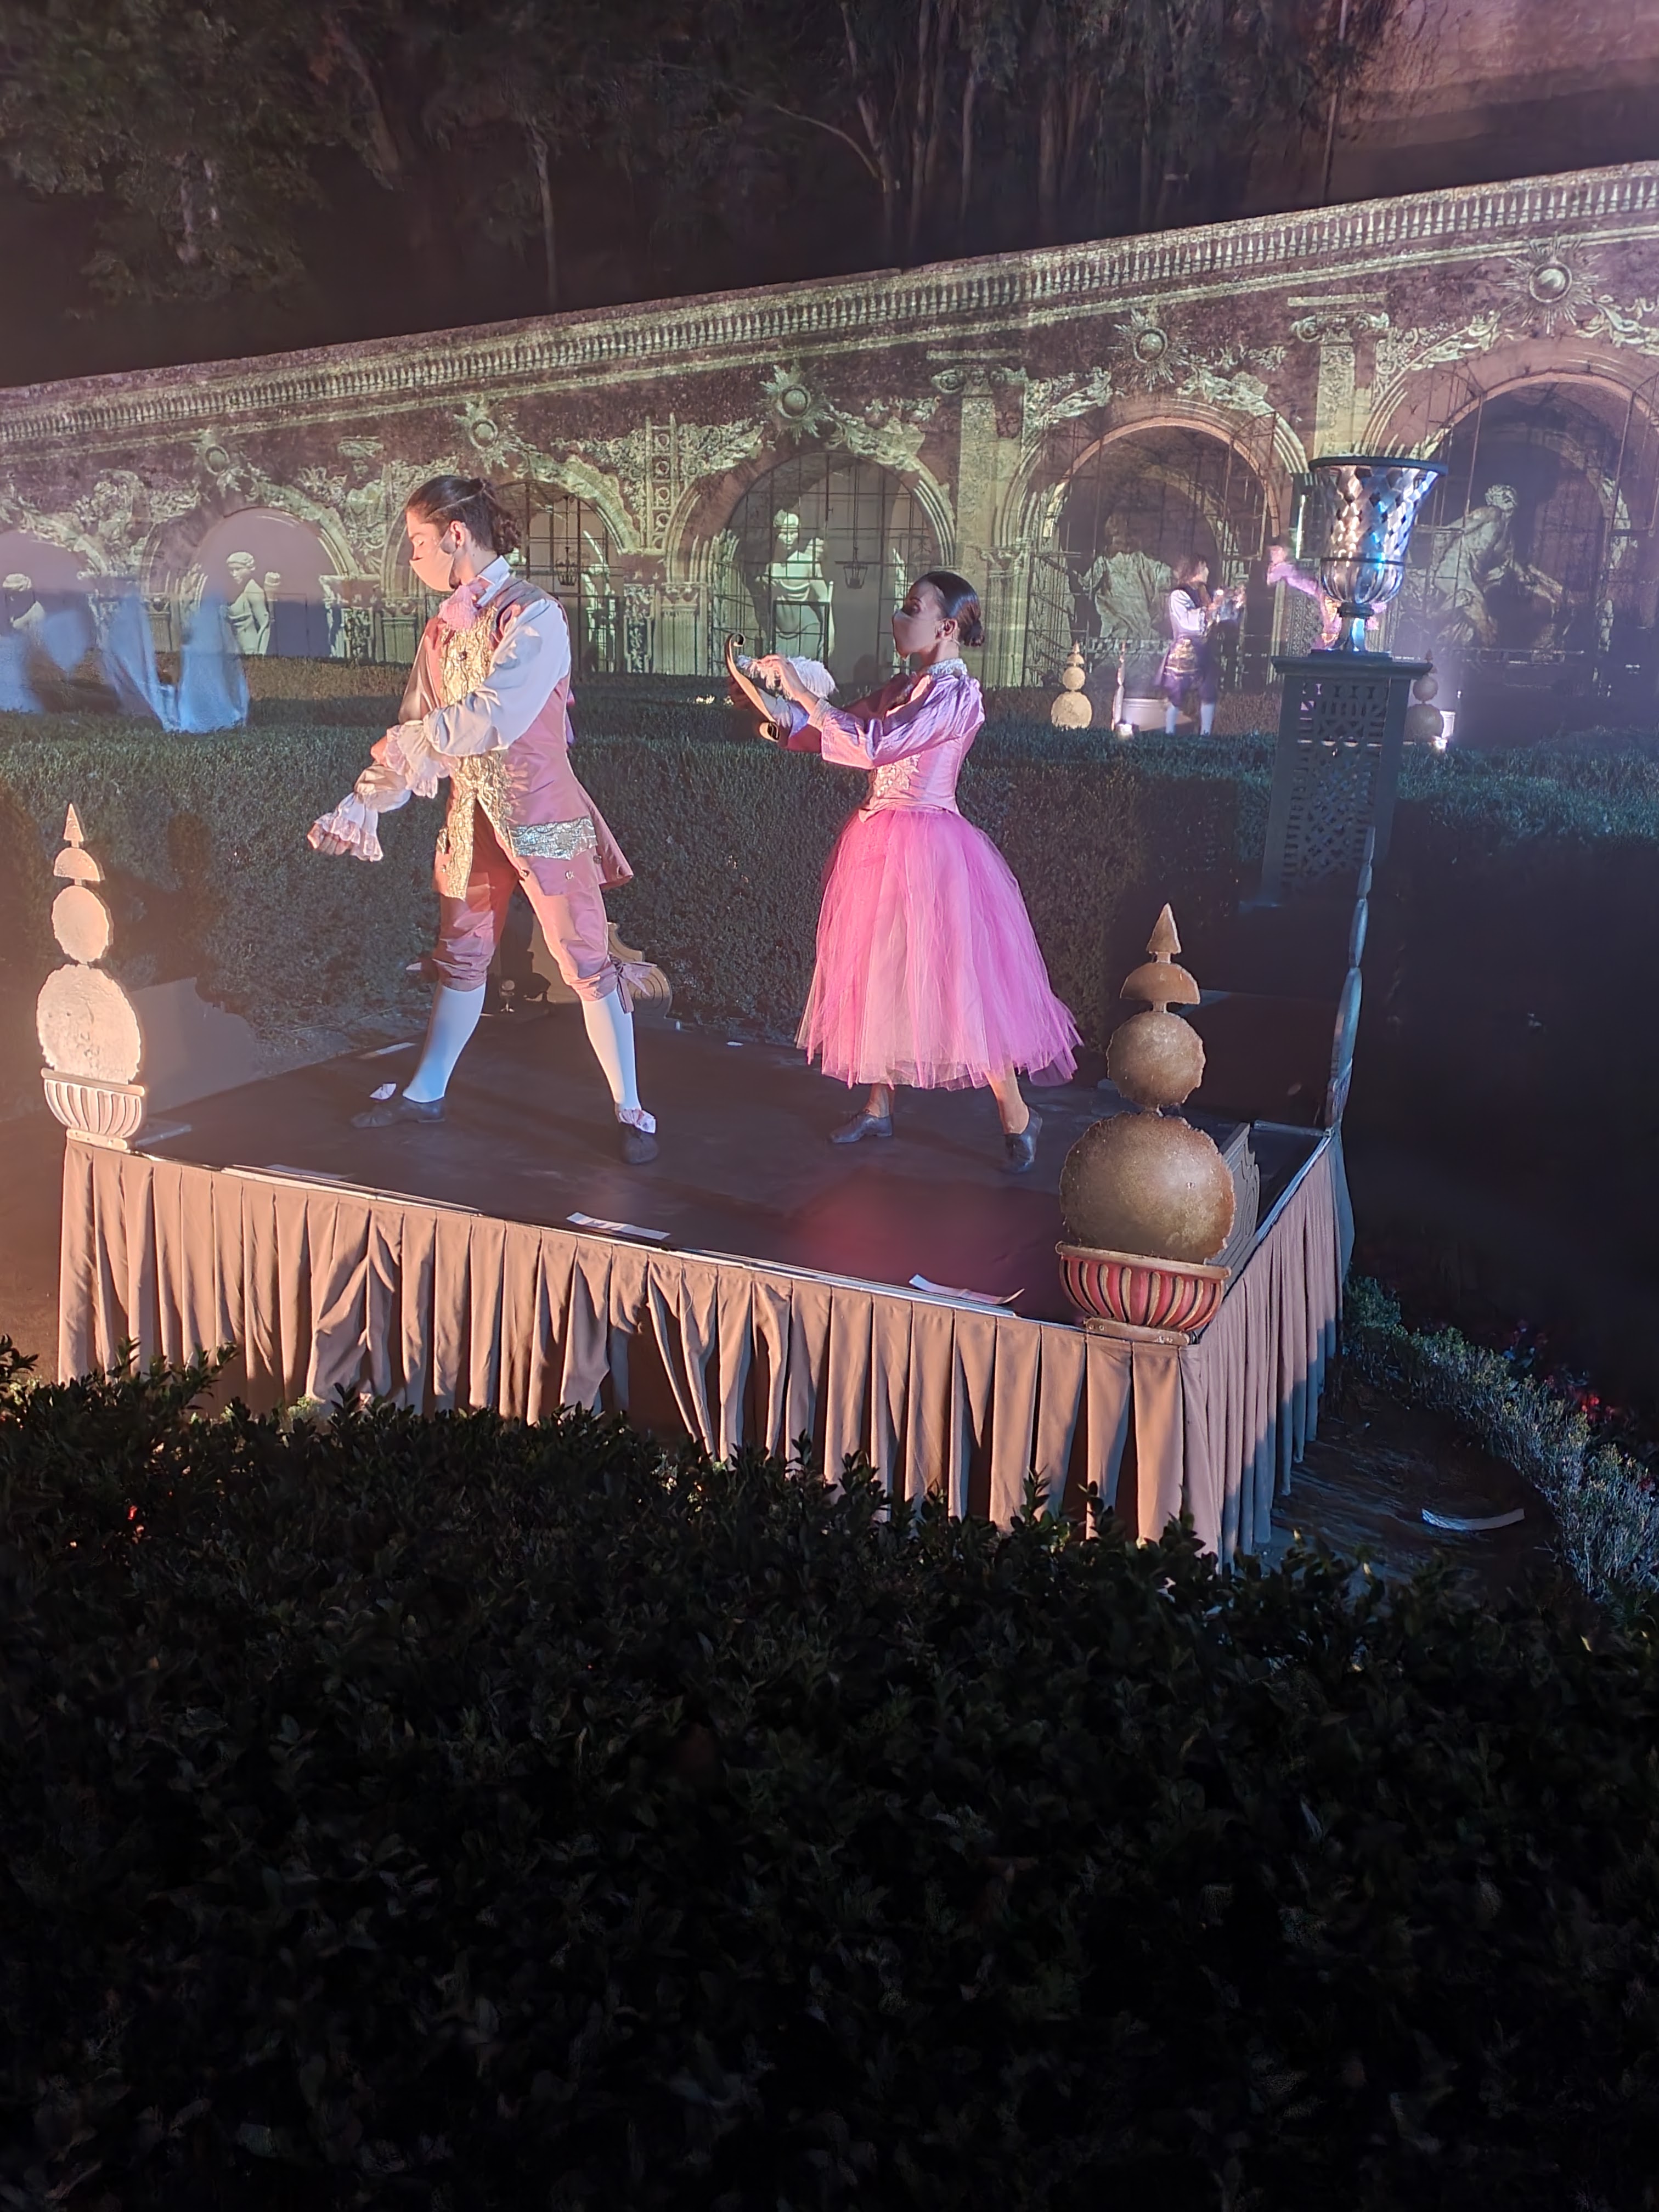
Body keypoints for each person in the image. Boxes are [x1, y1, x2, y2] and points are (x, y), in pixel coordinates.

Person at [308, 474, 659, 1163]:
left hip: (541, 812)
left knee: (585, 960)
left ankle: (630, 1107)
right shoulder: (441, 630)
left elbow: (498, 712)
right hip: (470, 818)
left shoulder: (535, 615)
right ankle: (426, 1092)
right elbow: (416, 726)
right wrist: (367, 798)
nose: (412, 556)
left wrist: (414, 743)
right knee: (462, 957)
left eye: (418, 541)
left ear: (456, 535)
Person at [748, 571, 1078, 1172]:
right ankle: (878, 1106)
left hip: (933, 845)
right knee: (882, 968)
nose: (900, 618)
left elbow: (875, 745)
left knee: (959, 978)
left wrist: (801, 691)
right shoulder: (906, 686)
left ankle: (1017, 1114)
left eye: (911, 608)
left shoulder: (956, 695)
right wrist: (779, 716)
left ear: (947, 626)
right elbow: (844, 729)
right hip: (878, 842)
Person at [1159, 555, 1241, 734]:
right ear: (1195, 569)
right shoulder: (1179, 594)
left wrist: (1236, 604)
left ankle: (1206, 734)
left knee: (1209, 691)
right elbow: (1186, 621)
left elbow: (1220, 616)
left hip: (1205, 649)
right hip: (1185, 650)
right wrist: (1210, 610)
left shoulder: (1205, 592)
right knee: (1177, 693)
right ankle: (1169, 732)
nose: (1208, 571)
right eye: (1204, 567)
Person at [224, 551, 270, 656]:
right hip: (236, 650)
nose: (234, 574)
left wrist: (261, 656)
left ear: (249, 568)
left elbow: (265, 626)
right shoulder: (237, 590)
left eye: (238, 569)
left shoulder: (253, 590)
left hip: (250, 651)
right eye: (231, 570)